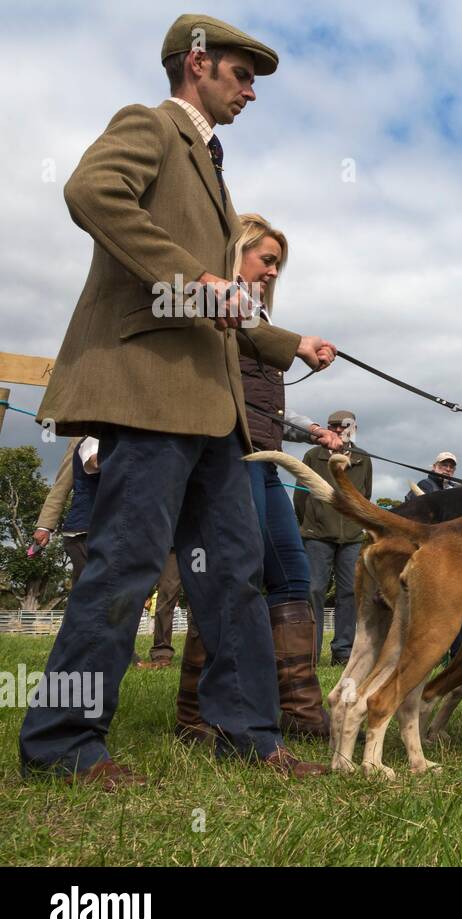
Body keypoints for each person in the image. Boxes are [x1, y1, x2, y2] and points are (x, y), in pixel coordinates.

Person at [21, 14, 334, 787]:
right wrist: (193, 280)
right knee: (124, 566)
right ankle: (62, 742)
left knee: (234, 573)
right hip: (150, 396)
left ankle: (246, 733)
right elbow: (89, 191)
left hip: (215, 410)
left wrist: (288, 342)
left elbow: (222, 306)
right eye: (240, 73)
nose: (251, 90)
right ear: (197, 63)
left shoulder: (217, 174)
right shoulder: (151, 125)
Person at [175, 213, 344, 739]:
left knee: (292, 575)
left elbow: (265, 409)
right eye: (265, 259)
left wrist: (308, 429)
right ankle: (196, 712)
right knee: (236, 574)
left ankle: (297, 706)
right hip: (228, 455)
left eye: (278, 264)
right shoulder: (213, 308)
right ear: (236, 254)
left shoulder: (261, 325)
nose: (272, 271)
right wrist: (293, 342)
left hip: (267, 457)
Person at [296, 411, 372, 666]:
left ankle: (343, 652)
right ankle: (310, 653)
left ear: (354, 428)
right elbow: (300, 496)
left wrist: (357, 525)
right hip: (317, 535)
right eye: (333, 426)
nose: (338, 430)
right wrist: (311, 523)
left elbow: (365, 496)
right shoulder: (312, 456)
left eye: (343, 426)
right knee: (314, 590)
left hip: (351, 536)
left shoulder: (363, 459)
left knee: (349, 592)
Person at [32, 437, 98, 587]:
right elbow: (61, 486)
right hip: (84, 528)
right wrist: (45, 526)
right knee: (88, 589)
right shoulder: (82, 438)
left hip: (121, 529)